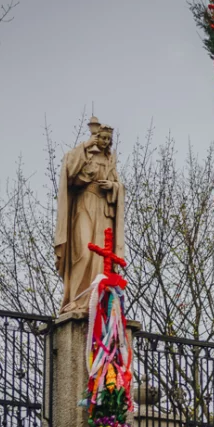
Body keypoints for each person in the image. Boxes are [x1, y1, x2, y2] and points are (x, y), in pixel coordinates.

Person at [54, 117, 124, 313]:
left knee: (101, 259)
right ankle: (75, 299)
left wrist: (113, 187)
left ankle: (96, 301)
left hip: (104, 209)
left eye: (108, 140)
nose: (106, 143)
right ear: (95, 138)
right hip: (84, 205)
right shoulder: (82, 154)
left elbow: (119, 185)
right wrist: (85, 146)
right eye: (102, 138)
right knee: (84, 253)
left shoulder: (110, 160)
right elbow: (68, 172)